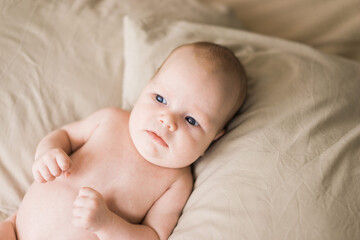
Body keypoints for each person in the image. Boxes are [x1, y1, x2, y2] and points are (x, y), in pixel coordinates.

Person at [0, 41, 247, 240]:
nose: (167, 121)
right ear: (145, 88)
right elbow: (64, 135)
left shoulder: (176, 182)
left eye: (191, 120)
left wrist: (107, 224)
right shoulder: (110, 119)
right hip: (14, 229)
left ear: (214, 138)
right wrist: (48, 152)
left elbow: (153, 235)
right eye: (160, 99)